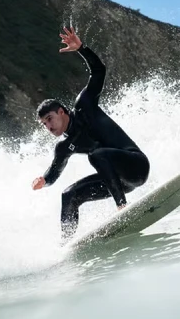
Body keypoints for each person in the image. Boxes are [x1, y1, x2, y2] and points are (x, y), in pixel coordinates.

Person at [31, 27, 150, 241]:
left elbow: (99, 71)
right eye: (43, 124)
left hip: (136, 166)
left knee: (97, 155)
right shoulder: (64, 146)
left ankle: (122, 207)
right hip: (118, 182)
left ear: (62, 112)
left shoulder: (85, 105)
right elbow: (54, 172)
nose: (48, 126)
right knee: (69, 195)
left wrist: (81, 49)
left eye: (49, 119)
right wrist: (44, 180)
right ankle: (66, 244)